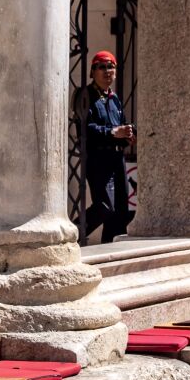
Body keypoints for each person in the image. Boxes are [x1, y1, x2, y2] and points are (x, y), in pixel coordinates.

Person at [79, 50, 135, 243]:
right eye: (101, 66)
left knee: (120, 209)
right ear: (92, 71)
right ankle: (73, 237)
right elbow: (86, 128)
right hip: (98, 159)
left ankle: (109, 248)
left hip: (116, 159)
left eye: (110, 66)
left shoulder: (114, 98)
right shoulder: (85, 95)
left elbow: (122, 124)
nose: (106, 71)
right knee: (104, 206)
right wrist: (112, 132)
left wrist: (128, 134)